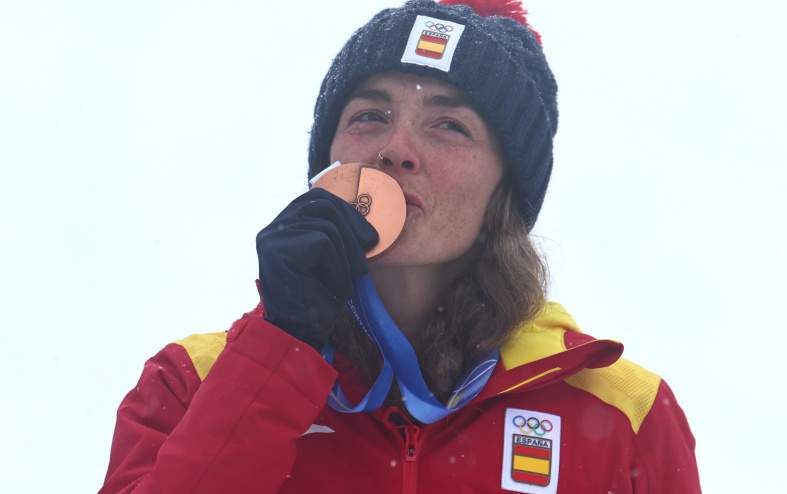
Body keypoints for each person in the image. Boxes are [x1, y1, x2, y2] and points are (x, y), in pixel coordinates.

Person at [98, 1, 701, 492]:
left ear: (505, 193)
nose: (395, 149)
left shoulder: (622, 411)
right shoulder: (193, 381)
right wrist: (279, 350)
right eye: (369, 115)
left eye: (449, 124)